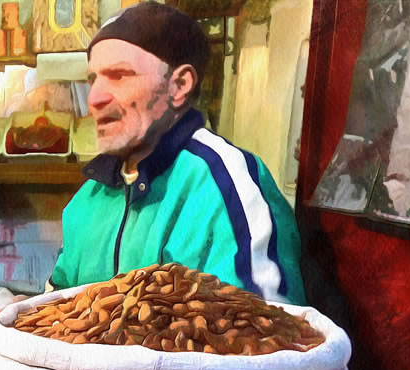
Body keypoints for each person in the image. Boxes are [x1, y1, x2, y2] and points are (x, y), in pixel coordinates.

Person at [49, 1, 306, 304]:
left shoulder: (225, 182)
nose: (95, 98)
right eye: (94, 79)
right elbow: (57, 305)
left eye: (119, 75)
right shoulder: (89, 198)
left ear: (179, 85)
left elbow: (268, 331)